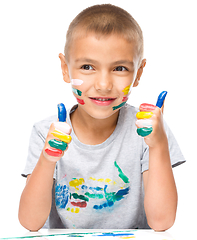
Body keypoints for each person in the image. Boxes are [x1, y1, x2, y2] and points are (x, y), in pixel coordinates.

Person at [18, 4, 185, 231]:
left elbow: (162, 222)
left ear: (139, 73)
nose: (104, 85)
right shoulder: (46, 132)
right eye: (87, 66)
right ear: (65, 68)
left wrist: (158, 145)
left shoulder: (148, 130)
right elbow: (30, 222)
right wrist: (48, 159)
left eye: (120, 68)